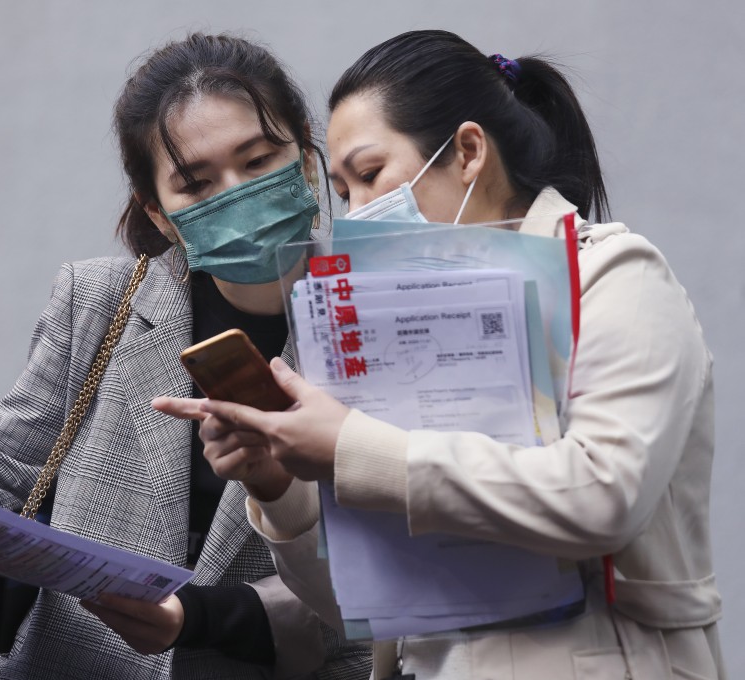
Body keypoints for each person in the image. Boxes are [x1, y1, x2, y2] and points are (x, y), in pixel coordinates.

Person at [0, 33, 370, 680]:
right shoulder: (96, 302)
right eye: (196, 183)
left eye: (257, 159)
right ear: (158, 213)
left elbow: (382, 567)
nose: (235, 193)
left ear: (305, 154)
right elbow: (2, 470)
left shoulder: (375, 318)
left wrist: (199, 617)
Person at [155, 30, 724, 679]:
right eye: (342, 192)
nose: (358, 213)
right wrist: (275, 482)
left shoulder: (615, 275)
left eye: (370, 175)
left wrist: (348, 446)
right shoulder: (388, 325)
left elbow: (603, 497)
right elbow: (355, 610)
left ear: (468, 152)